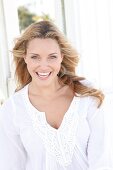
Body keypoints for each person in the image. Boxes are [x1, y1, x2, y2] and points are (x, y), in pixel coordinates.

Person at [0, 20, 112, 170]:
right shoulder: (12, 109)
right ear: (25, 57)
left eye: (52, 56)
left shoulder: (86, 94)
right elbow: (10, 165)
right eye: (35, 57)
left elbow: (102, 159)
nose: (44, 65)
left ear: (61, 57)